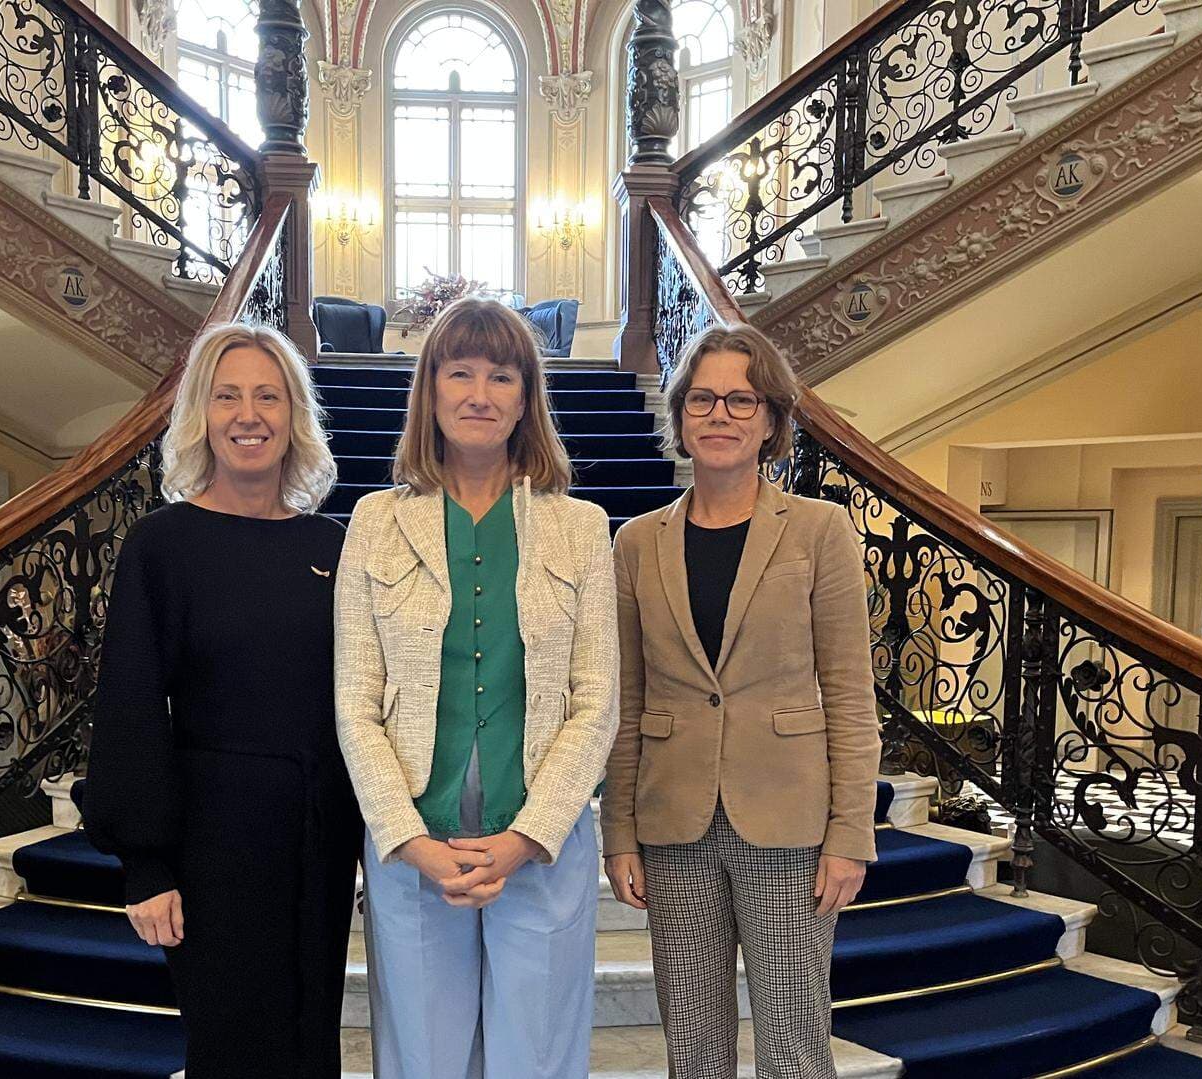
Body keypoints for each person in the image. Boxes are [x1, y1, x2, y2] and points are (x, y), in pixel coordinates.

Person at [333, 298, 618, 1079]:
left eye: (501, 375)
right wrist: (406, 837)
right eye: (459, 372)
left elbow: (597, 703)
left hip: (540, 843)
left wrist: (528, 835)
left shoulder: (582, 527)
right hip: (414, 843)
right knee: (422, 1060)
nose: (479, 393)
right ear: (430, 389)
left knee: (539, 1060)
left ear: (527, 396)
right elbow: (356, 702)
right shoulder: (375, 521)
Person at [601, 324, 881, 1079]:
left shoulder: (820, 531)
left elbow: (852, 695)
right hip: (673, 823)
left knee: (794, 1043)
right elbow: (626, 700)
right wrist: (618, 832)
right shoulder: (635, 542)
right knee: (693, 1046)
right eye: (703, 398)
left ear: (769, 419)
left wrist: (851, 831)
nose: (720, 414)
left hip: (789, 823)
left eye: (740, 399)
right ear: (681, 414)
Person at [82, 323, 360, 1078]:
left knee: (311, 1043)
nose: (249, 414)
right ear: (200, 415)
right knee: (234, 1048)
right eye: (227, 395)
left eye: (268, 396)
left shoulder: (331, 546)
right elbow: (132, 703)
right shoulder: (161, 545)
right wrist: (146, 864)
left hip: (318, 836)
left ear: (294, 414)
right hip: (214, 847)